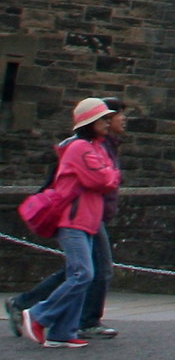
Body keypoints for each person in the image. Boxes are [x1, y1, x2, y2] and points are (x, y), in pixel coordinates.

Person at [10, 97, 124, 343]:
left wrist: (109, 172)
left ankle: (63, 332)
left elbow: (106, 176)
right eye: (103, 119)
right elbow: (103, 180)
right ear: (90, 122)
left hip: (87, 221)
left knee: (82, 274)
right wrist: (111, 172)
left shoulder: (94, 146)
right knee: (82, 274)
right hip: (73, 220)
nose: (108, 122)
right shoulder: (80, 148)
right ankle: (38, 315)